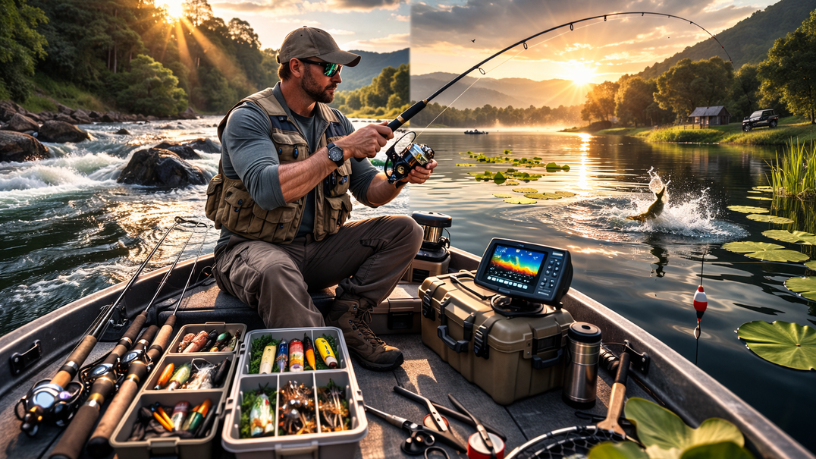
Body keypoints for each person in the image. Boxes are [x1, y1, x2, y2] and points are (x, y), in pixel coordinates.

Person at [205, 27, 436, 371]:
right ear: (296, 67)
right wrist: (341, 148)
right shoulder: (249, 117)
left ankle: (349, 318)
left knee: (407, 230)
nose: (338, 78)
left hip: (317, 252)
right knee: (276, 271)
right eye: (329, 68)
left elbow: (371, 191)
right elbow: (268, 189)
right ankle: (325, 368)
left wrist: (397, 178)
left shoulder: (337, 122)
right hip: (248, 250)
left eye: (340, 69)